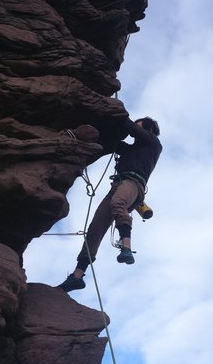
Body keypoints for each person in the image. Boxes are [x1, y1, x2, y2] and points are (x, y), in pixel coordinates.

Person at [58, 116, 162, 292]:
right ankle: (77, 275)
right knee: (95, 228)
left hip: (133, 184)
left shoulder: (154, 144)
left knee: (118, 202)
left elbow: (130, 127)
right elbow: (111, 144)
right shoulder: (130, 150)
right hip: (117, 186)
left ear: (149, 129)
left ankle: (126, 247)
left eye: (140, 125)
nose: (135, 129)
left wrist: (118, 114)